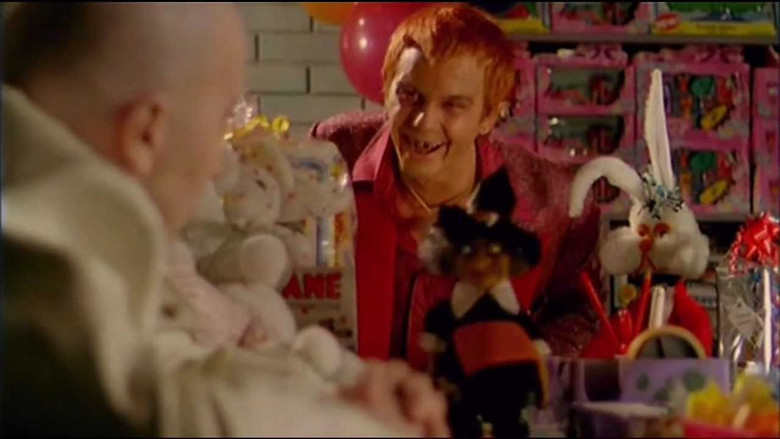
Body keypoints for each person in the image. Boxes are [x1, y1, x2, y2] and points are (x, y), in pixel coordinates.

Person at [2, 3, 447, 437]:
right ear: (145, 133)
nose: (218, 163)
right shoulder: (39, 273)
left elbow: (174, 362)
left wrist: (349, 387)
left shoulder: (71, 233)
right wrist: (370, 425)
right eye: (219, 124)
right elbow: (161, 412)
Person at [311, 3, 603, 368]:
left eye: (453, 105)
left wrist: (528, 366)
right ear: (385, 89)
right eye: (409, 95)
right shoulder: (332, 153)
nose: (423, 122)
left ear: (489, 116)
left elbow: (582, 311)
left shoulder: (551, 199)